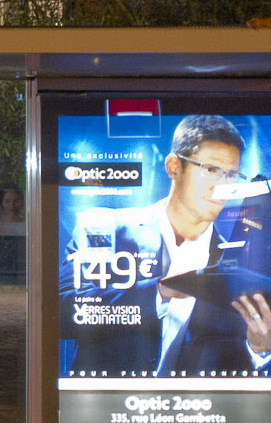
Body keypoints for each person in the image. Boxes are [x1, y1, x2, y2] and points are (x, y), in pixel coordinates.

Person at [61, 115, 271, 376]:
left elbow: (230, 365)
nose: (221, 186)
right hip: (108, 408)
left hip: (191, 413)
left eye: (230, 175)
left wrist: (258, 348)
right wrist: (160, 291)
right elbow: (61, 312)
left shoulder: (236, 265)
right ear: (174, 167)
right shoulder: (104, 228)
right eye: (211, 170)